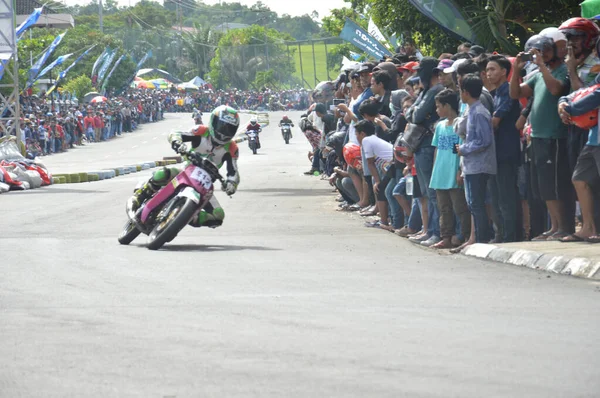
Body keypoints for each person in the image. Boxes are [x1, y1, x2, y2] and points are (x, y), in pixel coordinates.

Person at [130, 105, 241, 228]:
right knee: (163, 173)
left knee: (218, 215)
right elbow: (176, 133)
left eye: (229, 129)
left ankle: (186, 217)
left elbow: (233, 172)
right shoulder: (201, 131)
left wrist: (232, 184)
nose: (224, 132)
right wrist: (177, 142)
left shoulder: (232, 148)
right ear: (213, 122)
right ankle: (140, 196)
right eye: (221, 126)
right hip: (186, 170)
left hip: (204, 183)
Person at [510, 30, 571, 241]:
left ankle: (563, 227)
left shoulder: (563, 70)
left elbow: (556, 90)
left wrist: (542, 65)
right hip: (537, 137)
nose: (540, 55)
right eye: (537, 52)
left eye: (544, 50)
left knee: (554, 185)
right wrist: (516, 70)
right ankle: (554, 227)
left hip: (553, 136)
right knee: (542, 187)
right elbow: (516, 94)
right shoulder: (536, 75)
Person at [456, 74, 497, 243]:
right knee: (473, 202)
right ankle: (480, 237)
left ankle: (481, 238)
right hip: (470, 165)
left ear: (465, 92)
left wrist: (464, 148)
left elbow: (484, 140)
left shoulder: (479, 112)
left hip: (479, 165)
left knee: (477, 203)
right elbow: (460, 130)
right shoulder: (469, 110)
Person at [487, 54, 522, 242]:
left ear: (504, 71)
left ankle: (510, 237)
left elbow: (494, 122)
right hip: (494, 152)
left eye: (492, 69)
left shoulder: (507, 91)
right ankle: (501, 234)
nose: (488, 73)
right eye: (487, 70)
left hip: (506, 151)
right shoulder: (492, 94)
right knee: (496, 196)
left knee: (506, 196)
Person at [430, 89, 470, 249]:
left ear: (447, 106)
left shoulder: (460, 124)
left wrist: (460, 170)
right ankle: (446, 236)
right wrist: (435, 169)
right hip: (441, 171)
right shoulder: (440, 126)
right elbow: (437, 149)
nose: (437, 110)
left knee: (460, 207)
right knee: (444, 207)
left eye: (439, 106)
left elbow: (461, 149)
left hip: (454, 171)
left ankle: (464, 235)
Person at [356, 120, 394, 230]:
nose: (357, 137)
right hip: (389, 165)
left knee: (380, 189)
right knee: (383, 189)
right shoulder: (373, 138)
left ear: (362, 134)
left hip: (392, 165)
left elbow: (370, 163)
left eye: (357, 134)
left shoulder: (366, 140)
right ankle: (386, 219)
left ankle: (384, 222)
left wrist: (377, 181)